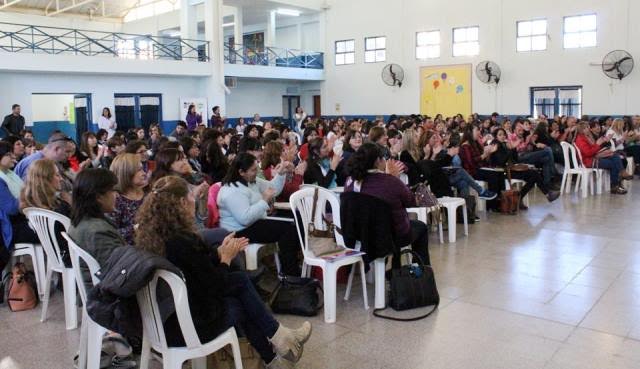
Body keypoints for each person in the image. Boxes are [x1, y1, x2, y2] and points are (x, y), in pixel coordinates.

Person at [135, 176, 311, 368]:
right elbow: (213, 286)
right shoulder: (180, 242)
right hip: (189, 326)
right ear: (180, 203)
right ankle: (280, 343)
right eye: (192, 196)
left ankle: (277, 349)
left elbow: (195, 271)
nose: (195, 200)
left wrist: (219, 253)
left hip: (166, 322)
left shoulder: (156, 236)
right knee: (242, 296)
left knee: (240, 284)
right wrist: (226, 259)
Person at [344, 143, 430, 265]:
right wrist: (393, 178)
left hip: (359, 234)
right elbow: (410, 201)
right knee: (421, 227)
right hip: (388, 235)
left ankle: (393, 267)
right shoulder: (389, 182)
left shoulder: (350, 180)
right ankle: (420, 271)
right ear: (378, 161)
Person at [217, 153, 302, 276]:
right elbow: (245, 218)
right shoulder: (231, 191)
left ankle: (293, 264)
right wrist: (264, 201)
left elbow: (273, 189)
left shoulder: (251, 181)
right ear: (241, 172)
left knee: (296, 218)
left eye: (257, 168)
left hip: (255, 221)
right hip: (239, 230)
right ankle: (290, 273)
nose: (257, 172)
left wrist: (281, 173)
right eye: (253, 170)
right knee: (287, 229)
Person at [68, 168, 124, 274]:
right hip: (106, 286)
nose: (116, 195)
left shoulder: (80, 220)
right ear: (99, 197)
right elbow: (120, 269)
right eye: (112, 190)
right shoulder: (98, 232)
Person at [19, 159, 72, 266]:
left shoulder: (31, 205)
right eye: (57, 175)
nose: (61, 179)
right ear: (45, 180)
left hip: (56, 257)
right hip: (70, 256)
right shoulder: (60, 208)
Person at [489, 128, 560, 209]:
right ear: (496, 136)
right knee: (534, 175)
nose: (502, 136)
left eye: (503, 134)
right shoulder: (495, 144)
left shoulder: (505, 144)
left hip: (511, 169)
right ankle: (545, 194)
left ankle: (521, 197)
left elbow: (515, 159)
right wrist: (510, 149)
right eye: (500, 135)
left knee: (534, 174)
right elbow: (500, 162)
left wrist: (513, 148)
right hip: (503, 172)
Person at [0, 141, 39, 256]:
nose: (13, 156)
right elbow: (12, 208)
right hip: (9, 228)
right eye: (8, 154)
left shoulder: (10, 174)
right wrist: (28, 197)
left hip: (21, 219)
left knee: (53, 227)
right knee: (50, 231)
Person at [574, 122, 629, 194]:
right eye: (585, 128)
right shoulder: (580, 139)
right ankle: (615, 184)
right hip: (589, 161)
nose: (588, 129)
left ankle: (620, 176)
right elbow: (588, 153)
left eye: (587, 127)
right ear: (581, 130)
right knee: (613, 163)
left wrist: (601, 145)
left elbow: (593, 150)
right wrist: (598, 144)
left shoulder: (587, 137)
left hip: (593, 157)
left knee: (614, 155)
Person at [108, 154, 148, 246]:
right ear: (125, 174)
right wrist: (137, 228)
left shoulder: (147, 191)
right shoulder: (115, 200)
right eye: (139, 170)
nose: (144, 173)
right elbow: (112, 235)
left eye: (142, 168)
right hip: (135, 251)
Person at [14, 133, 80, 180]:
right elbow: (30, 194)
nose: (70, 156)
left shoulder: (55, 162)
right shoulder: (35, 164)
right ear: (56, 149)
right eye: (67, 152)